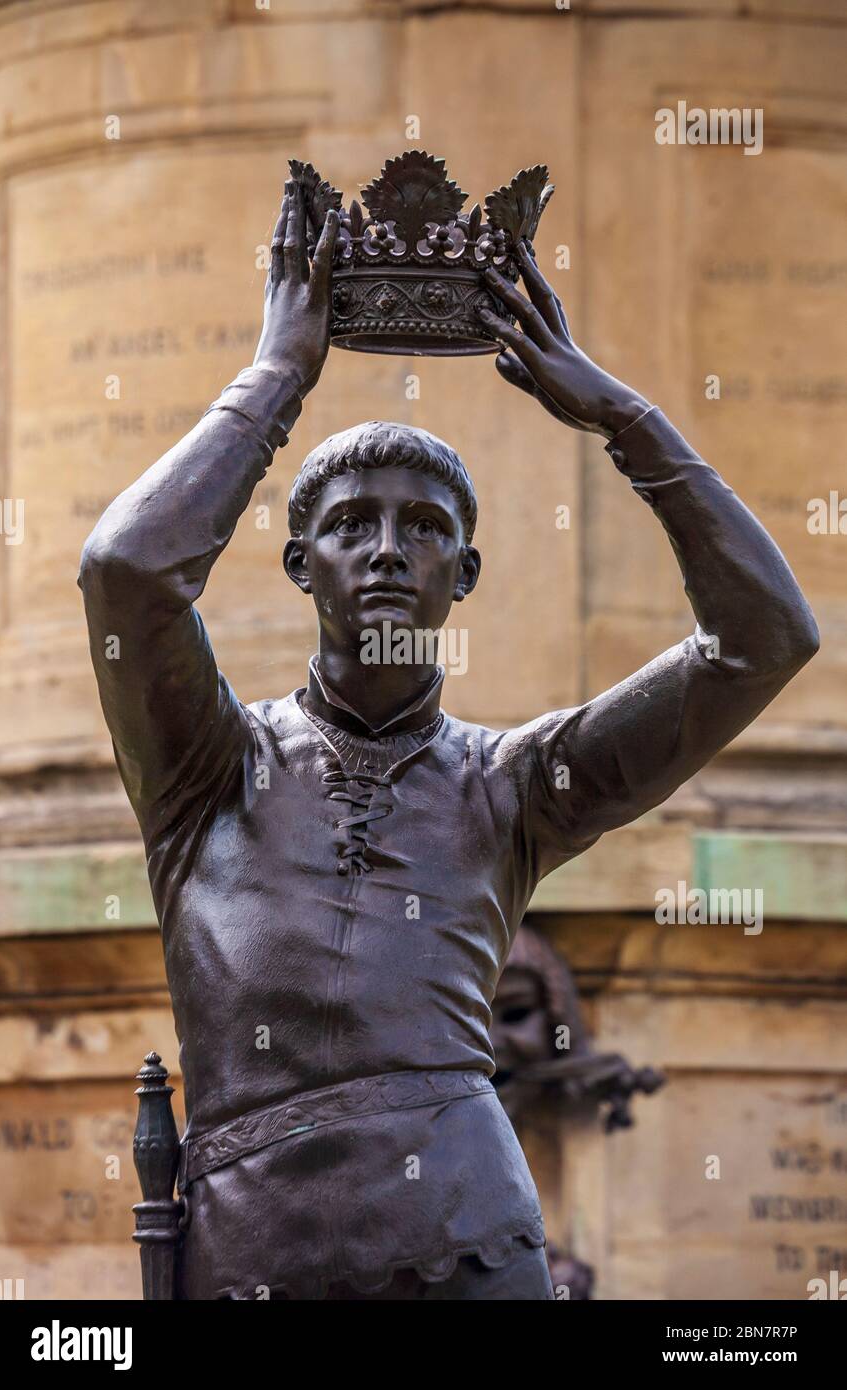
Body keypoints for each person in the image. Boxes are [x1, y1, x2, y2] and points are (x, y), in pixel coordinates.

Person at [78, 179, 818, 1300]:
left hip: (467, 1247)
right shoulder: (207, 765)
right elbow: (124, 573)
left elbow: (763, 638)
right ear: (297, 566)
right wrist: (277, 377)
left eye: (423, 529)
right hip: (251, 1252)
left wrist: (623, 420)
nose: (386, 550)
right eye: (348, 525)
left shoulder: (514, 785)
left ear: (461, 577)